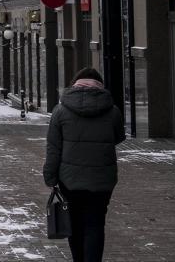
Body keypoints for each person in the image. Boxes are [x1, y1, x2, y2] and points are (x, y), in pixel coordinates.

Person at [43, 68, 123, 262]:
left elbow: (53, 148)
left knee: (75, 224)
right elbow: (119, 137)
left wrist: (50, 177)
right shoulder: (113, 111)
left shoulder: (60, 111)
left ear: (75, 84)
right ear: (100, 85)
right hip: (102, 180)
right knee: (95, 224)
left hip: (69, 180)